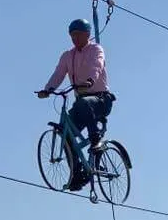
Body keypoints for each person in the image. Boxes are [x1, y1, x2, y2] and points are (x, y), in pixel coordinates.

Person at [38, 18, 115, 190]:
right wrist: (48, 89)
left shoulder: (96, 49)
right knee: (66, 132)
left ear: (87, 34)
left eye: (78, 35)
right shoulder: (67, 56)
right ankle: (78, 172)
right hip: (82, 103)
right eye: (72, 36)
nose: (75, 39)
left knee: (84, 104)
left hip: (101, 99)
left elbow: (97, 65)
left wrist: (89, 81)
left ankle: (96, 141)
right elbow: (58, 74)